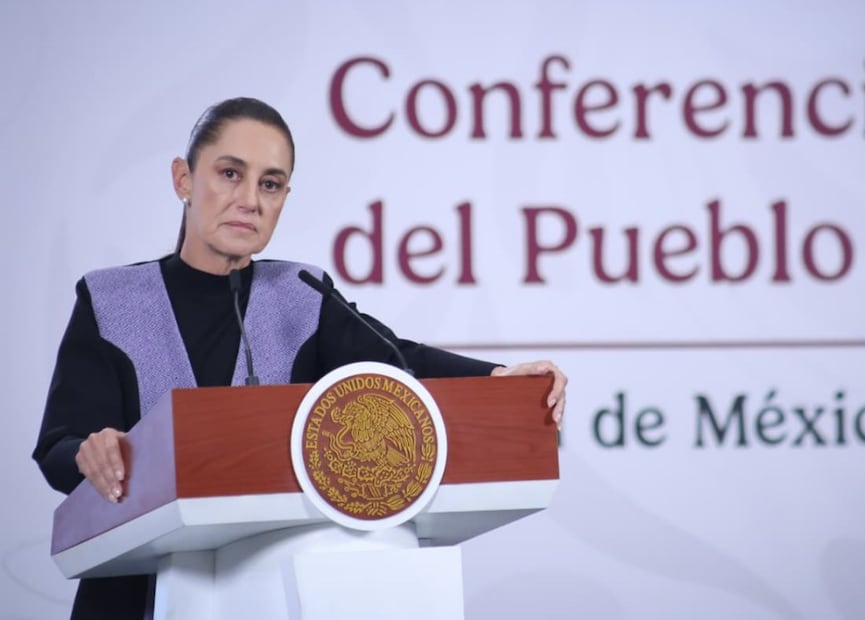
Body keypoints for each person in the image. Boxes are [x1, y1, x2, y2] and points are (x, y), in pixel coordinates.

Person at [32, 97, 567, 620]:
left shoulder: (301, 293)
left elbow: (395, 361)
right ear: (183, 179)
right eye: (229, 173)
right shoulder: (113, 300)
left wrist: (499, 379)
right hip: (137, 595)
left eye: (270, 184)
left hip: (268, 591)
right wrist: (89, 451)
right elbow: (59, 446)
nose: (249, 200)